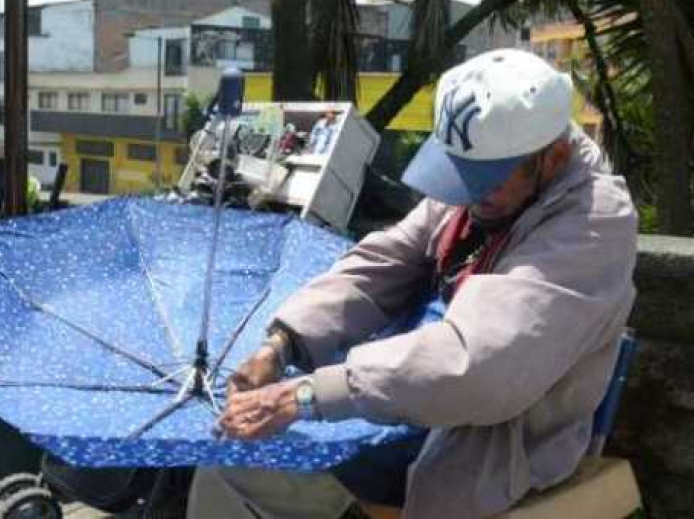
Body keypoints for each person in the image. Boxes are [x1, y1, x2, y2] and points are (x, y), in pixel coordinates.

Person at [186, 49, 638, 519]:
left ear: (553, 159)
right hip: (412, 397)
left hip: (491, 437)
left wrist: (305, 395)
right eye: (459, 174)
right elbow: (383, 263)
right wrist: (281, 346)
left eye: (484, 180)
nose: (468, 193)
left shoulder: (593, 223)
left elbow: (480, 363)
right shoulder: (488, 187)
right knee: (228, 458)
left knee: (245, 468)